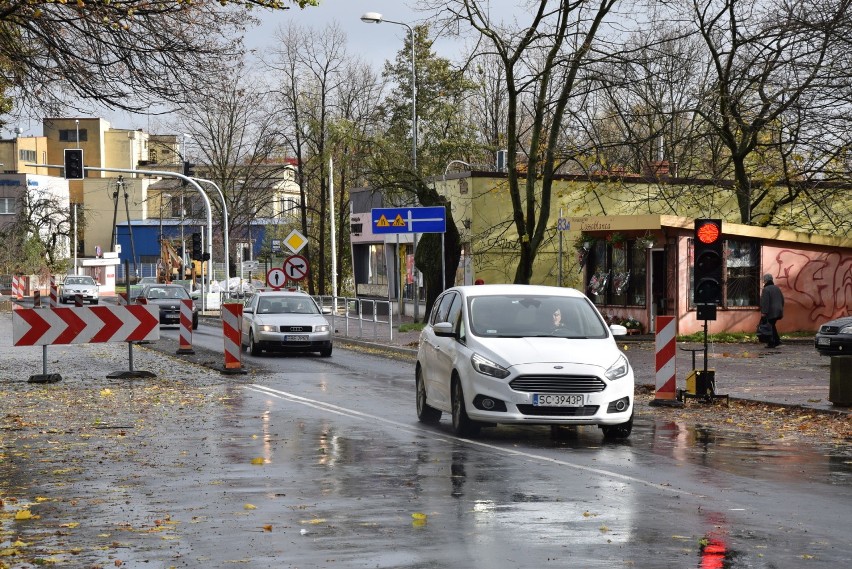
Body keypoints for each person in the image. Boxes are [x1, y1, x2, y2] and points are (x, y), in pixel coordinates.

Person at [760, 273, 784, 348]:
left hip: (771, 311)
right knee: (772, 325)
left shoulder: (766, 289)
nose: (763, 282)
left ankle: (772, 342)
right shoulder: (777, 288)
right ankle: (776, 341)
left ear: (765, 280)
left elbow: (765, 302)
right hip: (778, 310)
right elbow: (782, 299)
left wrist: (764, 312)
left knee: (770, 326)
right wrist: (780, 307)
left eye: (764, 280)